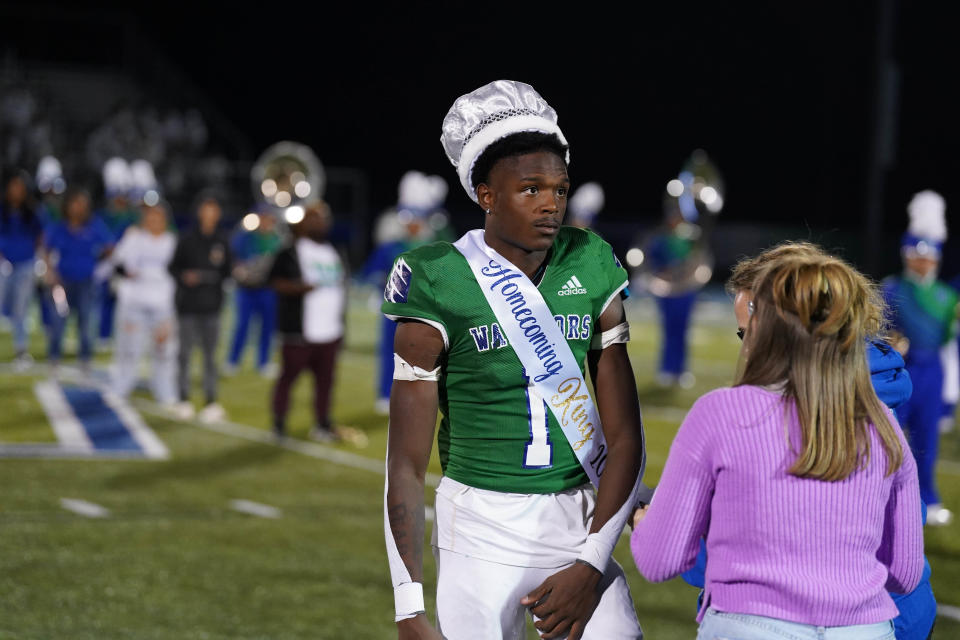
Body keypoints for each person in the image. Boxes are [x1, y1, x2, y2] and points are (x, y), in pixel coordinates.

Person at [384, 80, 645, 640]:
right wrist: (409, 605)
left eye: (559, 188)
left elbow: (626, 437)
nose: (551, 203)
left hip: (579, 524)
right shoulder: (437, 278)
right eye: (530, 189)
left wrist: (592, 562)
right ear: (486, 195)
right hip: (478, 531)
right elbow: (405, 463)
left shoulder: (592, 261)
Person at [631, 248, 925, 639]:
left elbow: (659, 560)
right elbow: (904, 572)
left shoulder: (722, 412)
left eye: (746, 328)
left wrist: (642, 523)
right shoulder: (883, 422)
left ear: (768, 324)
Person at [882, 190, 958, 526]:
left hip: (932, 374)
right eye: (917, 254)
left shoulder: (946, 297)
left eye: (929, 256)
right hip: (900, 371)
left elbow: (950, 348)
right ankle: (882, 496)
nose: (922, 262)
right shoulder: (891, 288)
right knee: (890, 438)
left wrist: (950, 397)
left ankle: (927, 497)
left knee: (927, 440)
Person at [268, 201, 346, 441]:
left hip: (330, 331)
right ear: (302, 223)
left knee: (325, 384)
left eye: (322, 219)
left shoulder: (333, 251)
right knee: (288, 378)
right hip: (300, 332)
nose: (319, 223)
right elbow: (275, 282)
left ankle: (322, 424)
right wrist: (300, 288)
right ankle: (279, 424)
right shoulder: (290, 251)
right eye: (313, 218)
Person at [168, 196, 232, 422]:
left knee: (210, 356)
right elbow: (173, 268)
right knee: (184, 354)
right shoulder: (187, 239)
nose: (210, 214)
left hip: (212, 306)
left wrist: (213, 278)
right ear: (199, 213)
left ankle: (210, 400)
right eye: (206, 210)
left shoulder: (222, 240)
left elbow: (228, 270)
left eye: (213, 210)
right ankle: (183, 398)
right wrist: (186, 277)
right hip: (188, 305)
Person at [110, 200, 178, 406]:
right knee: (129, 349)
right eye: (150, 218)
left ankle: (164, 390)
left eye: (158, 219)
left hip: (163, 304)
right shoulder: (134, 238)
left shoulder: (172, 242)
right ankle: (121, 386)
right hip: (135, 303)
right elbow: (117, 263)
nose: (154, 222)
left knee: (164, 350)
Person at [44, 188, 114, 369]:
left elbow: (110, 248)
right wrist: (50, 272)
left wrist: (99, 265)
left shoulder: (94, 226)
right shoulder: (59, 227)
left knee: (87, 321)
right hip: (62, 283)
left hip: (87, 282)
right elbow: (46, 249)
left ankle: (85, 358)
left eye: (82, 204)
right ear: (67, 206)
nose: (78, 208)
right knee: (58, 320)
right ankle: (54, 356)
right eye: (75, 204)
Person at [225, 208, 281, 377]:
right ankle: (233, 361)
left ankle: (264, 362)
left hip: (267, 289)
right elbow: (232, 254)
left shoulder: (278, 240)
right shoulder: (246, 238)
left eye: (269, 219)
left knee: (267, 328)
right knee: (242, 326)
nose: (266, 223)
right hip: (246, 289)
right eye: (263, 218)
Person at [0, 170, 43, 367]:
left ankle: (21, 350)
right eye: (13, 186)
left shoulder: (33, 212)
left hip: (25, 264)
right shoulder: (2, 210)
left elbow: (41, 237)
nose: (16, 191)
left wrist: (38, 259)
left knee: (21, 309)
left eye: (20, 187)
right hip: (2, 263)